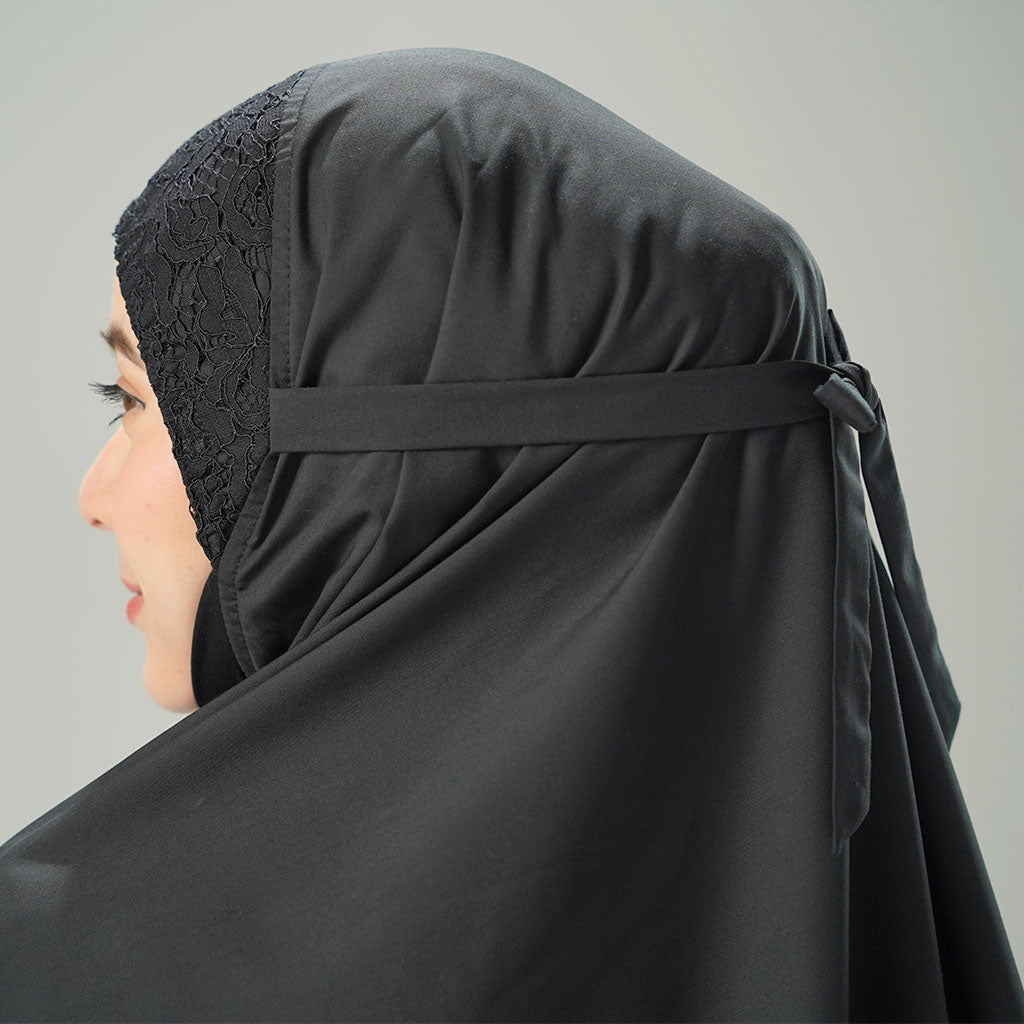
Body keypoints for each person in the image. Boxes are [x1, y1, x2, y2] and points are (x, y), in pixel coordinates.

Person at [1, 46, 1022, 1022]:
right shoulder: (874, 935)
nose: (94, 496)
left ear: (375, 473)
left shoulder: (65, 976)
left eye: (139, 400)